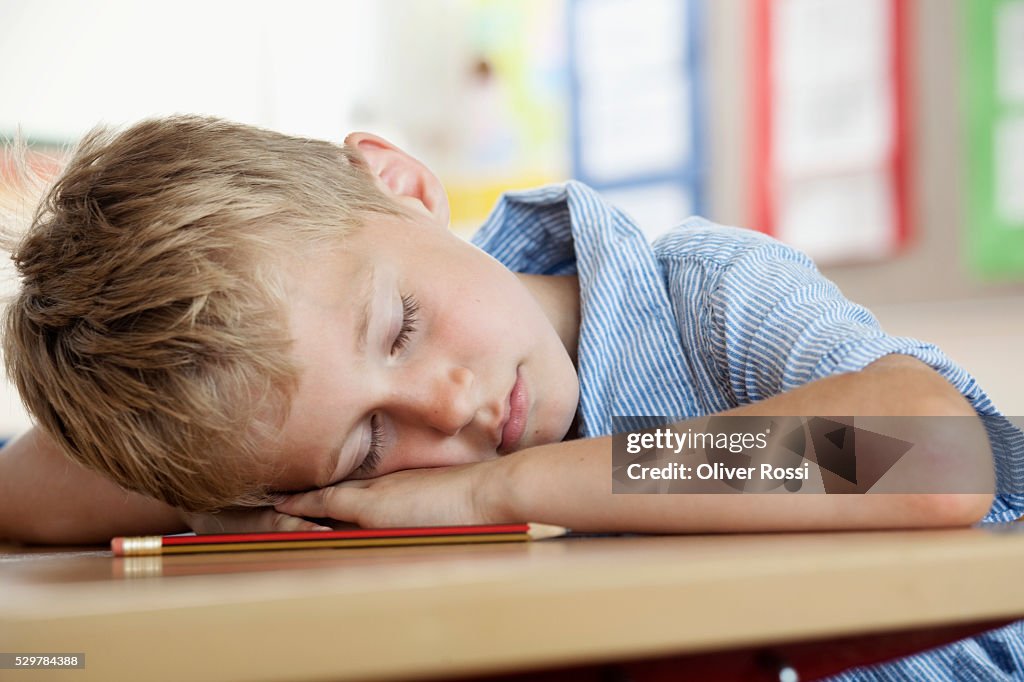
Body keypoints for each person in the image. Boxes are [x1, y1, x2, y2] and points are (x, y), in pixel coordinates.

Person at [0, 116, 1020, 680]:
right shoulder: (327, 459)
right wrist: (218, 486)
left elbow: (928, 456)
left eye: (399, 326)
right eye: (366, 443)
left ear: (402, 187)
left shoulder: (705, 296)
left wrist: (509, 488)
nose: (444, 409)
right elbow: (32, 494)